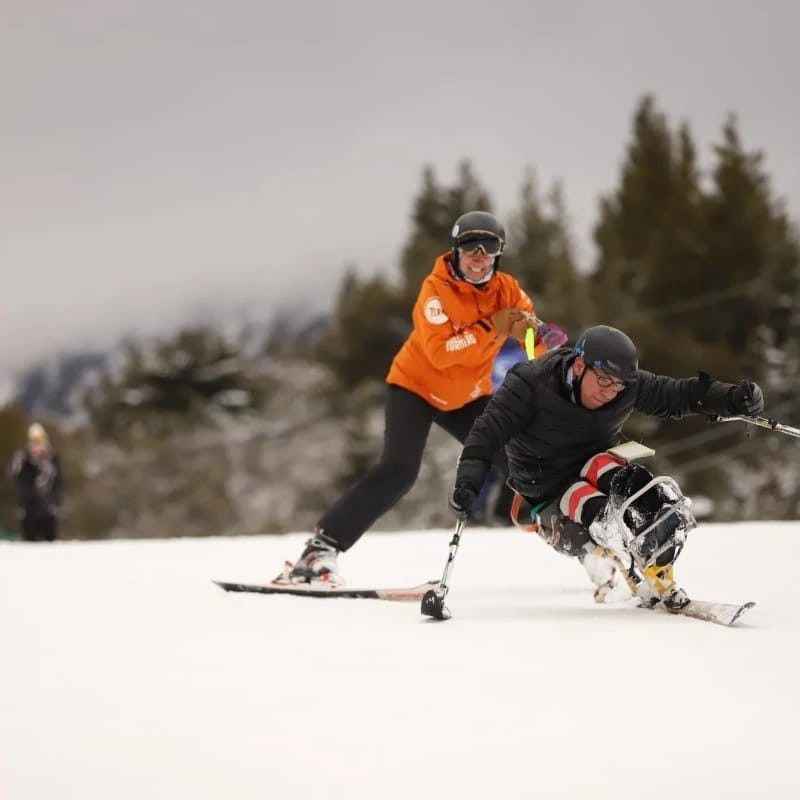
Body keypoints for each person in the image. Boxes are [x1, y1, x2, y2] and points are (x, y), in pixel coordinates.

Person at [278, 210, 564, 586]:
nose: (479, 256)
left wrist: (545, 341)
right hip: (415, 387)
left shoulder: (507, 289)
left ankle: (579, 543)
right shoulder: (435, 291)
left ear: (499, 253)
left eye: (489, 247)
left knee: (518, 460)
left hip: (468, 395)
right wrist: (489, 326)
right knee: (398, 471)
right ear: (456, 251)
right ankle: (318, 553)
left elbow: (525, 328)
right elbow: (441, 352)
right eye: (469, 247)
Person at [448, 325, 765, 610]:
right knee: (593, 510)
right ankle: (614, 559)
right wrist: (469, 480)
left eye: (618, 385)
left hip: (595, 462)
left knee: (635, 484)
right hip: (548, 490)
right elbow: (487, 431)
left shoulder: (624, 387)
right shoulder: (530, 383)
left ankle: (660, 569)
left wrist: (732, 399)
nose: (609, 391)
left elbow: (676, 394)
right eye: (602, 380)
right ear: (579, 364)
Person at [10, 423, 64, 542]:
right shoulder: (23, 462)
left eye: (40, 442)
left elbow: (59, 483)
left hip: (49, 511)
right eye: (35, 443)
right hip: (29, 512)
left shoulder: (52, 461)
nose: (38, 447)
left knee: (50, 545)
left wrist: (55, 501)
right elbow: (20, 482)